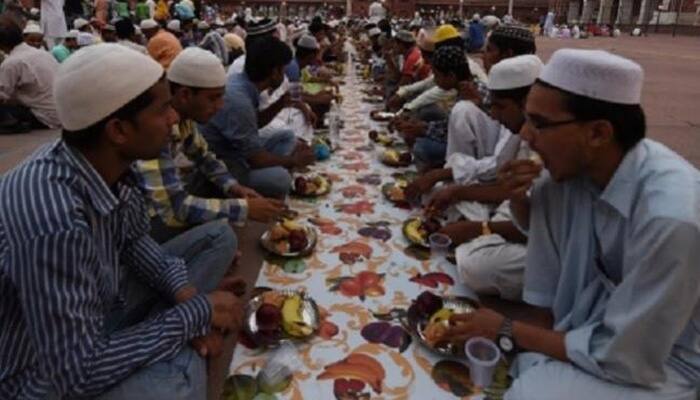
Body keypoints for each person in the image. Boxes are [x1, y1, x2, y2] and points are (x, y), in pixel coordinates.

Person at [449, 49, 700, 400]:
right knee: (527, 361)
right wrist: (518, 196)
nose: (525, 136)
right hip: (593, 327)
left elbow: (628, 355)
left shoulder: (671, 217)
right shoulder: (567, 178)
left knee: (530, 391)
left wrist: (506, 328)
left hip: (663, 360)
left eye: (539, 123)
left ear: (598, 133)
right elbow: (546, 290)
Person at [0, 44, 244, 400]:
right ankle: (164, 345)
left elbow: (135, 243)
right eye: (163, 110)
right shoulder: (55, 222)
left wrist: (187, 295)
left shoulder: (107, 165)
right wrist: (194, 315)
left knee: (219, 238)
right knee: (178, 388)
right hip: (41, 372)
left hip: (100, 309)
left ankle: (156, 337)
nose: (174, 119)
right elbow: (75, 373)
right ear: (118, 130)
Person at [135, 48, 285, 242]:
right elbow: (174, 209)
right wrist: (243, 209)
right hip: (150, 221)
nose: (221, 105)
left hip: (174, 197)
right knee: (222, 237)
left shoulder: (185, 120)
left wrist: (235, 188)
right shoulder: (158, 130)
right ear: (184, 95)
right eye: (213, 98)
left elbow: (205, 158)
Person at [426, 55, 543, 301]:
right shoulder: (521, 130)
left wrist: (479, 228)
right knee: (443, 190)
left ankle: (474, 239)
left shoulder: (548, 141)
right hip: (510, 215)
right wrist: (456, 191)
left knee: (475, 266)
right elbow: (504, 186)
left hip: (541, 243)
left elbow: (542, 231)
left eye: (500, 107)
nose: (494, 116)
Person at [201, 37, 315, 198]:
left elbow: (253, 124)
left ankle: (274, 170)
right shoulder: (239, 100)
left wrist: (279, 104)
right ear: (274, 72)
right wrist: (294, 161)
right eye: (282, 70)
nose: (283, 75)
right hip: (224, 165)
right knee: (281, 180)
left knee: (286, 136)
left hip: (237, 151)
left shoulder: (242, 83)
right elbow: (256, 159)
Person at [0, 17, 60, 133]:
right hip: (61, 114)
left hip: (43, 117)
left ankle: (12, 125)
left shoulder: (11, 62)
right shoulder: (44, 54)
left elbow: (2, 96)